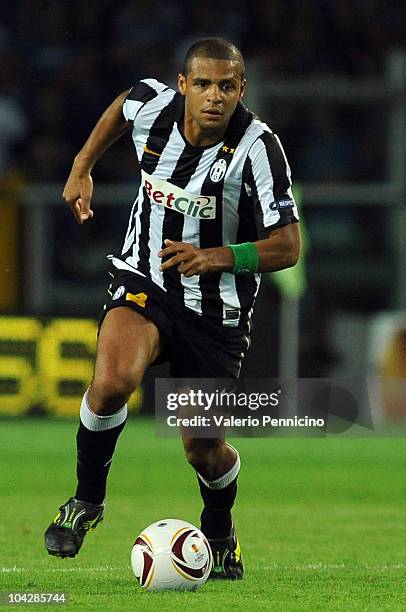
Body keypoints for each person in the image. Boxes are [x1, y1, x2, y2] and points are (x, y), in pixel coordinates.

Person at [44, 37, 300, 579]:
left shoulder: (259, 146)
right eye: (203, 84)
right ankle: (87, 500)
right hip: (146, 278)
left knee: (202, 449)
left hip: (216, 308)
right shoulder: (153, 106)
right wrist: (82, 164)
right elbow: (123, 104)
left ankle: (221, 531)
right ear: (183, 85)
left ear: (241, 90)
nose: (214, 97)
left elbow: (288, 246)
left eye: (226, 86)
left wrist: (216, 256)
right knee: (113, 381)